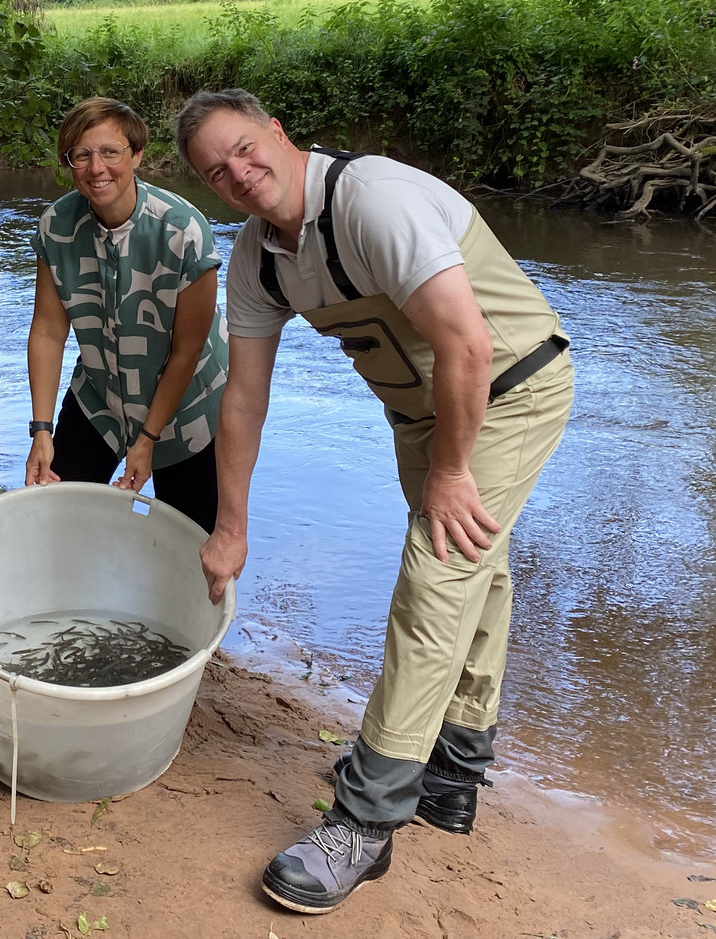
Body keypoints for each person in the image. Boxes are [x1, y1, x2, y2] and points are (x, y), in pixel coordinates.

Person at [176, 88, 573, 916]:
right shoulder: (257, 258)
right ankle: (452, 774)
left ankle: (364, 821)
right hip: (422, 413)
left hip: (506, 390)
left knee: (437, 579)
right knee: (475, 572)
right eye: (218, 170)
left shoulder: (372, 202)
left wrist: (452, 472)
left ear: (278, 132)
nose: (242, 174)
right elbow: (243, 400)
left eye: (248, 149)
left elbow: (465, 339)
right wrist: (230, 527)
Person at [24, 97, 228, 533]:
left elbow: (187, 351)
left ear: (136, 155)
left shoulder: (183, 230)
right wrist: (41, 429)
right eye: (82, 155)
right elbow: (46, 331)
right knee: (62, 518)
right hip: (99, 395)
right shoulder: (55, 226)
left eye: (110, 152)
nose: (97, 168)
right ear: (69, 164)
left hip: (187, 410)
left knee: (191, 539)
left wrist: (147, 440)